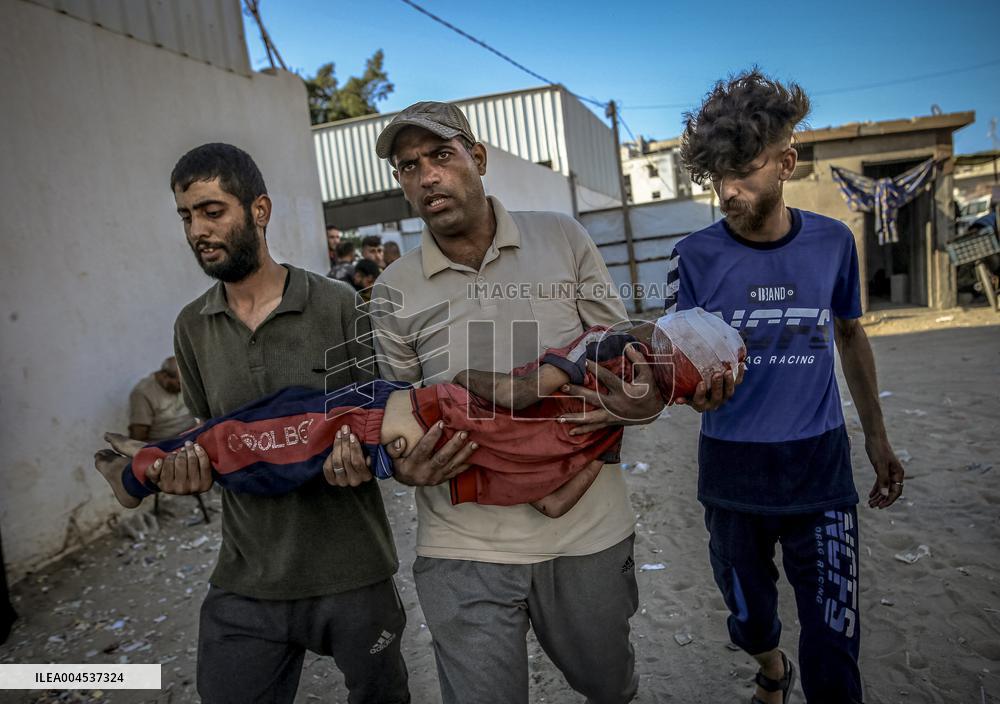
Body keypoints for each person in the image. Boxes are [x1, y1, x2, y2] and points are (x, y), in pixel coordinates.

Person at [364, 100, 642, 704]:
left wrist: (614, 419)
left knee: (609, 687)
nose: (426, 176)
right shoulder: (391, 290)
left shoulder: (562, 238)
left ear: (478, 158)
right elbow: (400, 412)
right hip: (461, 547)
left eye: (441, 155)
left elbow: (624, 359)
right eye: (407, 166)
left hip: (585, 536)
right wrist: (403, 463)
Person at [667, 69, 904, 704]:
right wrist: (690, 390)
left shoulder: (832, 243)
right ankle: (771, 667)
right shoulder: (692, 257)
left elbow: (851, 336)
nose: (726, 190)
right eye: (716, 173)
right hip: (732, 473)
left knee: (834, 646)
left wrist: (877, 441)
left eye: (743, 170)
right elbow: (677, 366)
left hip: (819, 468)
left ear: (786, 163)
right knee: (750, 619)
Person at [160, 142, 409, 703]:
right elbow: (213, 436)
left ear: (259, 211)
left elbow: (379, 426)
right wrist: (189, 469)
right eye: (186, 215)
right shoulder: (192, 326)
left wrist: (361, 459)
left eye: (212, 210)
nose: (198, 229)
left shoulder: (339, 306)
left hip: (352, 570)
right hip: (247, 577)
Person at [95, 311, 743, 517]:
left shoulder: (598, 382)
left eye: (647, 354)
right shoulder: (598, 408)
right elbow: (551, 498)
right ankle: (145, 464)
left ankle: (142, 469)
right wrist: (593, 417)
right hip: (387, 433)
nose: (628, 360)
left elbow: (513, 402)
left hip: (385, 427)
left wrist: (468, 376)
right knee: (257, 444)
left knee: (263, 441)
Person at [128, 357, 194, 442]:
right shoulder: (142, 393)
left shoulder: (181, 384)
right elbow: (139, 435)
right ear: (165, 376)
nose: (183, 388)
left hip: (191, 434)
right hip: (166, 443)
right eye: (179, 383)